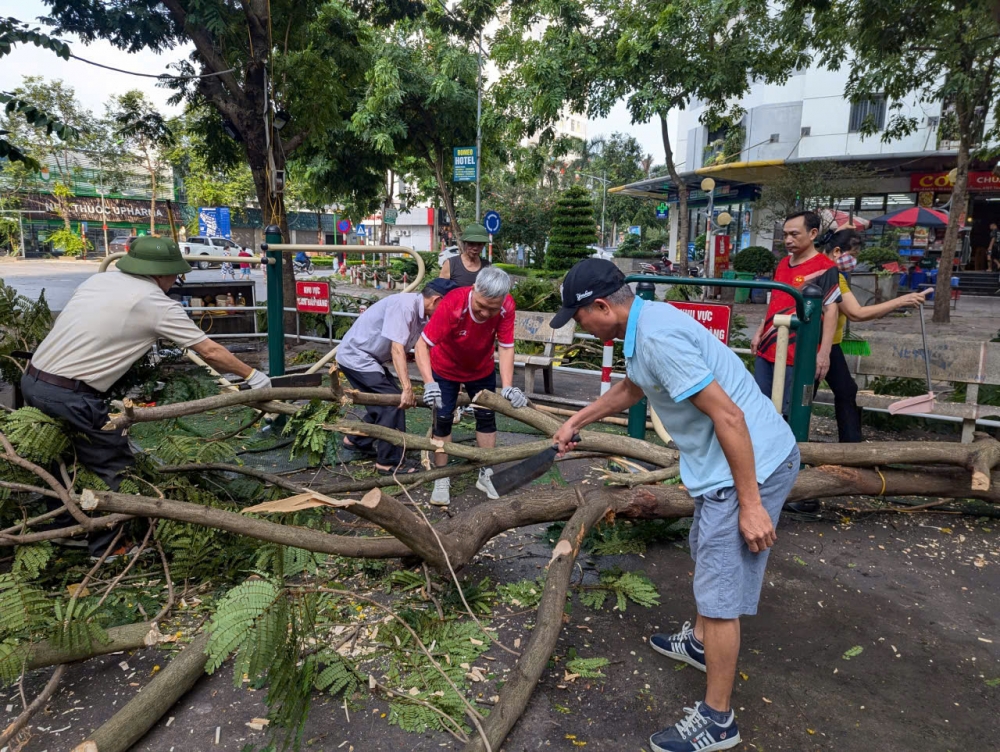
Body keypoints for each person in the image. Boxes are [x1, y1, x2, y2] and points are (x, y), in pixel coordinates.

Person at [548, 258, 799, 752]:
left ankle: (718, 721)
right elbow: (635, 386)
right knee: (707, 557)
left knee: (720, 592)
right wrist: (579, 419)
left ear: (602, 306)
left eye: (578, 317)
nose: (578, 325)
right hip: (720, 470)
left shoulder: (657, 337)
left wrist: (751, 505)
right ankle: (701, 646)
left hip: (750, 467)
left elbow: (728, 415)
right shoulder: (644, 327)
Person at [22, 237, 271, 555]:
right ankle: (109, 548)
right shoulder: (154, 303)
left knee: (58, 457)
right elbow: (209, 350)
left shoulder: (102, 280)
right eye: (175, 275)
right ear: (161, 274)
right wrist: (253, 377)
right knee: (112, 463)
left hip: (33, 378)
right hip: (69, 394)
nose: (175, 282)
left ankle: (62, 530)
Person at [415, 267, 527, 506]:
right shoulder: (453, 303)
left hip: (481, 368)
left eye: (492, 308)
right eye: (481, 306)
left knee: (487, 417)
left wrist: (507, 386)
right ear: (474, 290)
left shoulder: (507, 305)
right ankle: (441, 477)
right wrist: (429, 383)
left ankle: (485, 472)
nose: (486, 313)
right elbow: (422, 345)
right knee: (443, 419)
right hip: (445, 368)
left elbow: (506, 346)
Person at [336, 278, 458, 474]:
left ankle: (355, 439)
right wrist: (407, 389)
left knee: (384, 402)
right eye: (449, 306)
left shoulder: (423, 315)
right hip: (357, 356)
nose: (449, 311)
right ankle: (388, 462)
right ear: (436, 300)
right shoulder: (404, 306)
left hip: (370, 358)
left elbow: (418, 349)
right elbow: (397, 348)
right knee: (394, 402)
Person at [822, 228, 930, 442]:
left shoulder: (832, 273)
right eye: (853, 255)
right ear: (837, 251)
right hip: (816, 345)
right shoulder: (830, 275)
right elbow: (857, 313)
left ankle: (850, 446)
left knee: (846, 390)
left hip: (830, 344)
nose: (854, 261)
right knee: (810, 394)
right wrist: (900, 301)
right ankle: (801, 444)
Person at [751, 211, 842, 416]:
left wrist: (824, 353)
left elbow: (831, 311)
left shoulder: (825, 268)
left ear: (813, 234)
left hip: (797, 352)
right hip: (768, 347)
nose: (788, 240)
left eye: (794, 234)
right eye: (785, 235)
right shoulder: (783, 263)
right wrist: (759, 331)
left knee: (788, 411)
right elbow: (775, 301)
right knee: (761, 407)